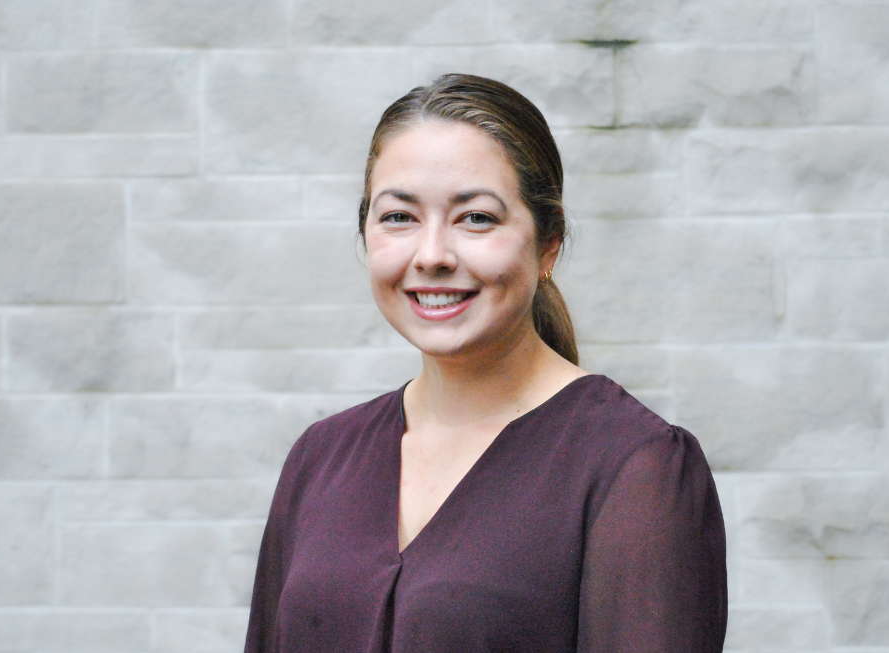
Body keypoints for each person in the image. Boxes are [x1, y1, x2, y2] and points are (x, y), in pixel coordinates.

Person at [244, 73, 727, 653]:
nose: (433, 256)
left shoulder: (635, 466)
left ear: (547, 244)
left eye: (476, 218)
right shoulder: (320, 459)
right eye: (399, 217)